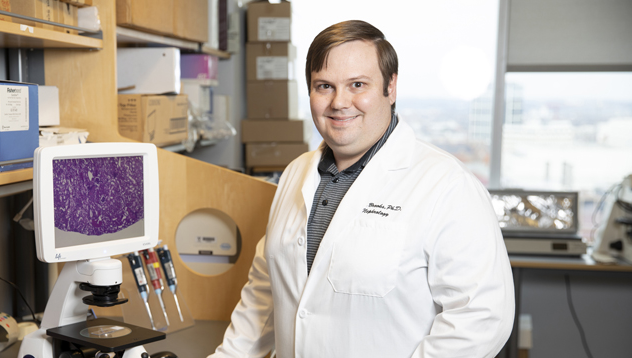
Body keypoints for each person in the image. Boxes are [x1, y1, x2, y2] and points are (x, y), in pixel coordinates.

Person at [209, 20, 514, 357]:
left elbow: (482, 317)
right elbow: (264, 295)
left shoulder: (446, 185)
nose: (340, 102)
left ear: (391, 87)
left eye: (357, 84)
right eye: (324, 86)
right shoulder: (296, 174)